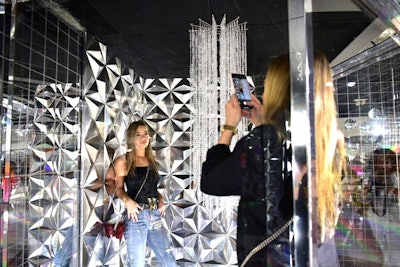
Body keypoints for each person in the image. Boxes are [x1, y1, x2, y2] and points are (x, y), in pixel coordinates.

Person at [201, 52, 346, 266]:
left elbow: (212, 181)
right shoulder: (329, 139)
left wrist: (229, 128)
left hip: (274, 258)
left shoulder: (264, 140)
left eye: (269, 86)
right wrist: (262, 125)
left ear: (279, 90)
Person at [113, 120, 176, 267]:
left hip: (155, 215)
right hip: (137, 216)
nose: (143, 138)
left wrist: (160, 198)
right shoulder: (124, 160)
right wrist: (128, 201)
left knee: (169, 261)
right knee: (137, 263)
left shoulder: (152, 158)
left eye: (146, 134)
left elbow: (152, 186)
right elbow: (119, 189)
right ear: (131, 138)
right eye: (138, 135)